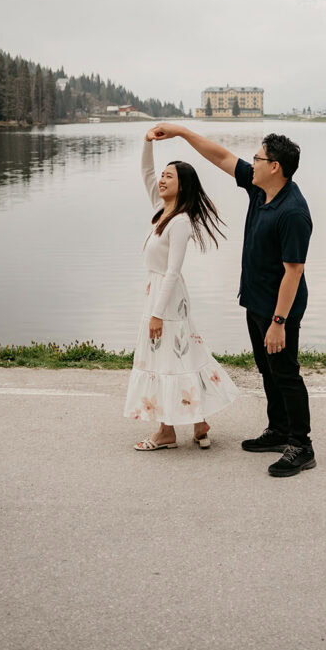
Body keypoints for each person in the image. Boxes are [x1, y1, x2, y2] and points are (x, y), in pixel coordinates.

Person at [151, 123, 315, 478]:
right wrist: (180, 132)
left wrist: (278, 322)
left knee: (286, 373)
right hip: (255, 302)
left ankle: (301, 445)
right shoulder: (261, 190)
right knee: (267, 370)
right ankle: (279, 430)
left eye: (257, 158)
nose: (250, 163)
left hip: (278, 311)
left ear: (275, 167)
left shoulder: (293, 212)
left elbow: (294, 272)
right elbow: (221, 156)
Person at [123, 129, 239, 450]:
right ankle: (198, 422)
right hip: (157, 292)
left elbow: (173, 271)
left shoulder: (181, 222)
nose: (161, 180)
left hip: (168, 299)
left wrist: (157, 314)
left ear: (182, 185)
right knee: (181, 356)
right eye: (162, 176)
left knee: (168, 361)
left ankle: (166, 432)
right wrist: (147, 141)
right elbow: (145, 172)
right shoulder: (161, 210)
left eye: (169, 177)